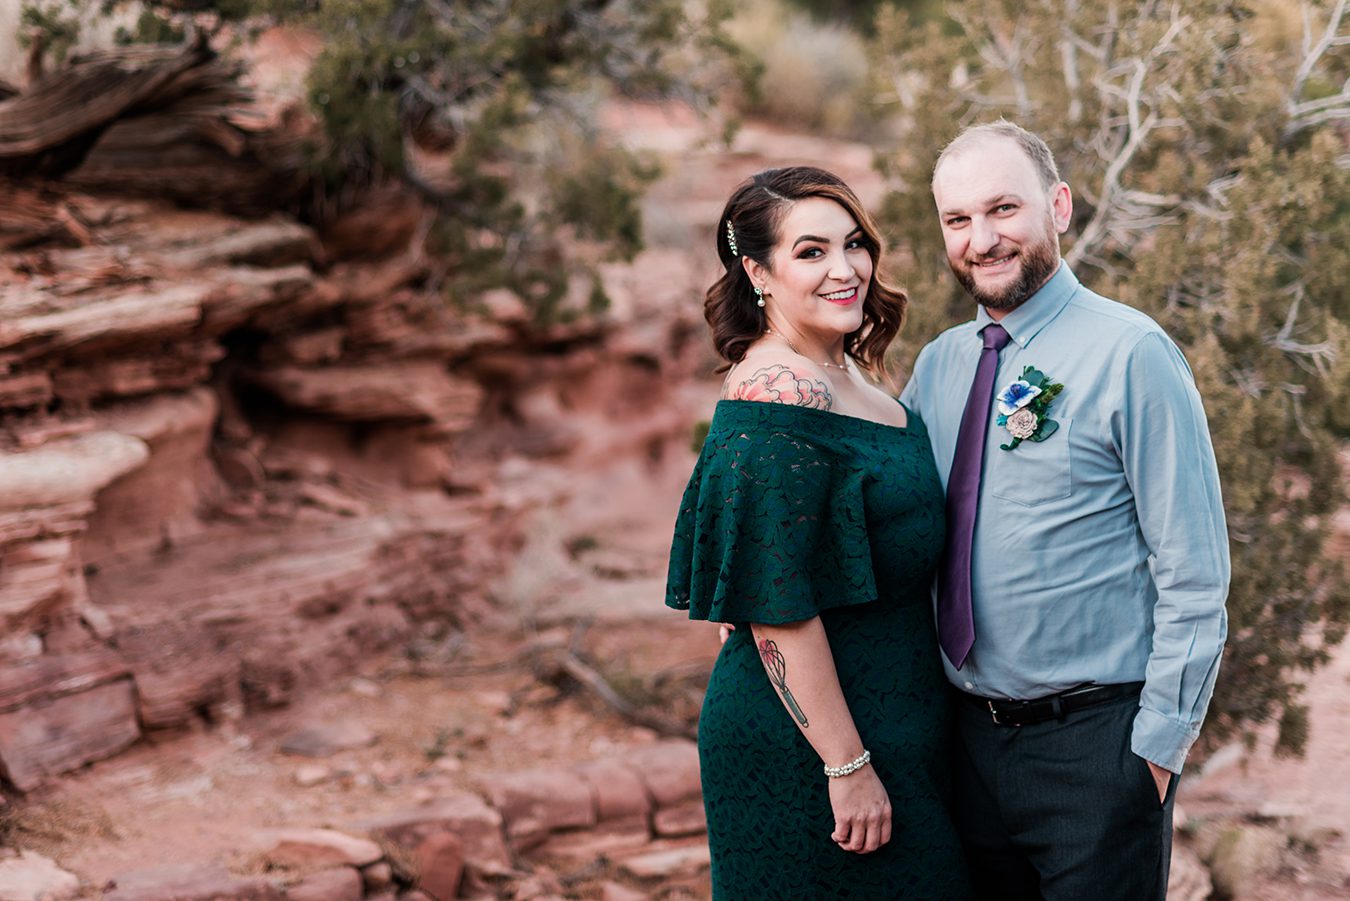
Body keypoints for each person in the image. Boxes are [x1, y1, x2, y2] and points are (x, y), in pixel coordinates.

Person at [899, 120, 1230, 900]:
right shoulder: (940, 365)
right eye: (958, 220)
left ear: (1059, 206)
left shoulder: (1132, 353)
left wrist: (1152, 755)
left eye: (1002, 209)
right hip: (963, 745)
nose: (982, 239)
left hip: (1097, 752)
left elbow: (1194, 570)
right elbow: (886, 508)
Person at [665, 166, 971, 899]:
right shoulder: (778, 390)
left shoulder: (853, 379)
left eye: (854, 243)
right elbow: (773, 604)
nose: (845, 269)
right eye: (810, 252)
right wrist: (846, 765)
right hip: (814, 756)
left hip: (902, 732)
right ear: (757, 271)